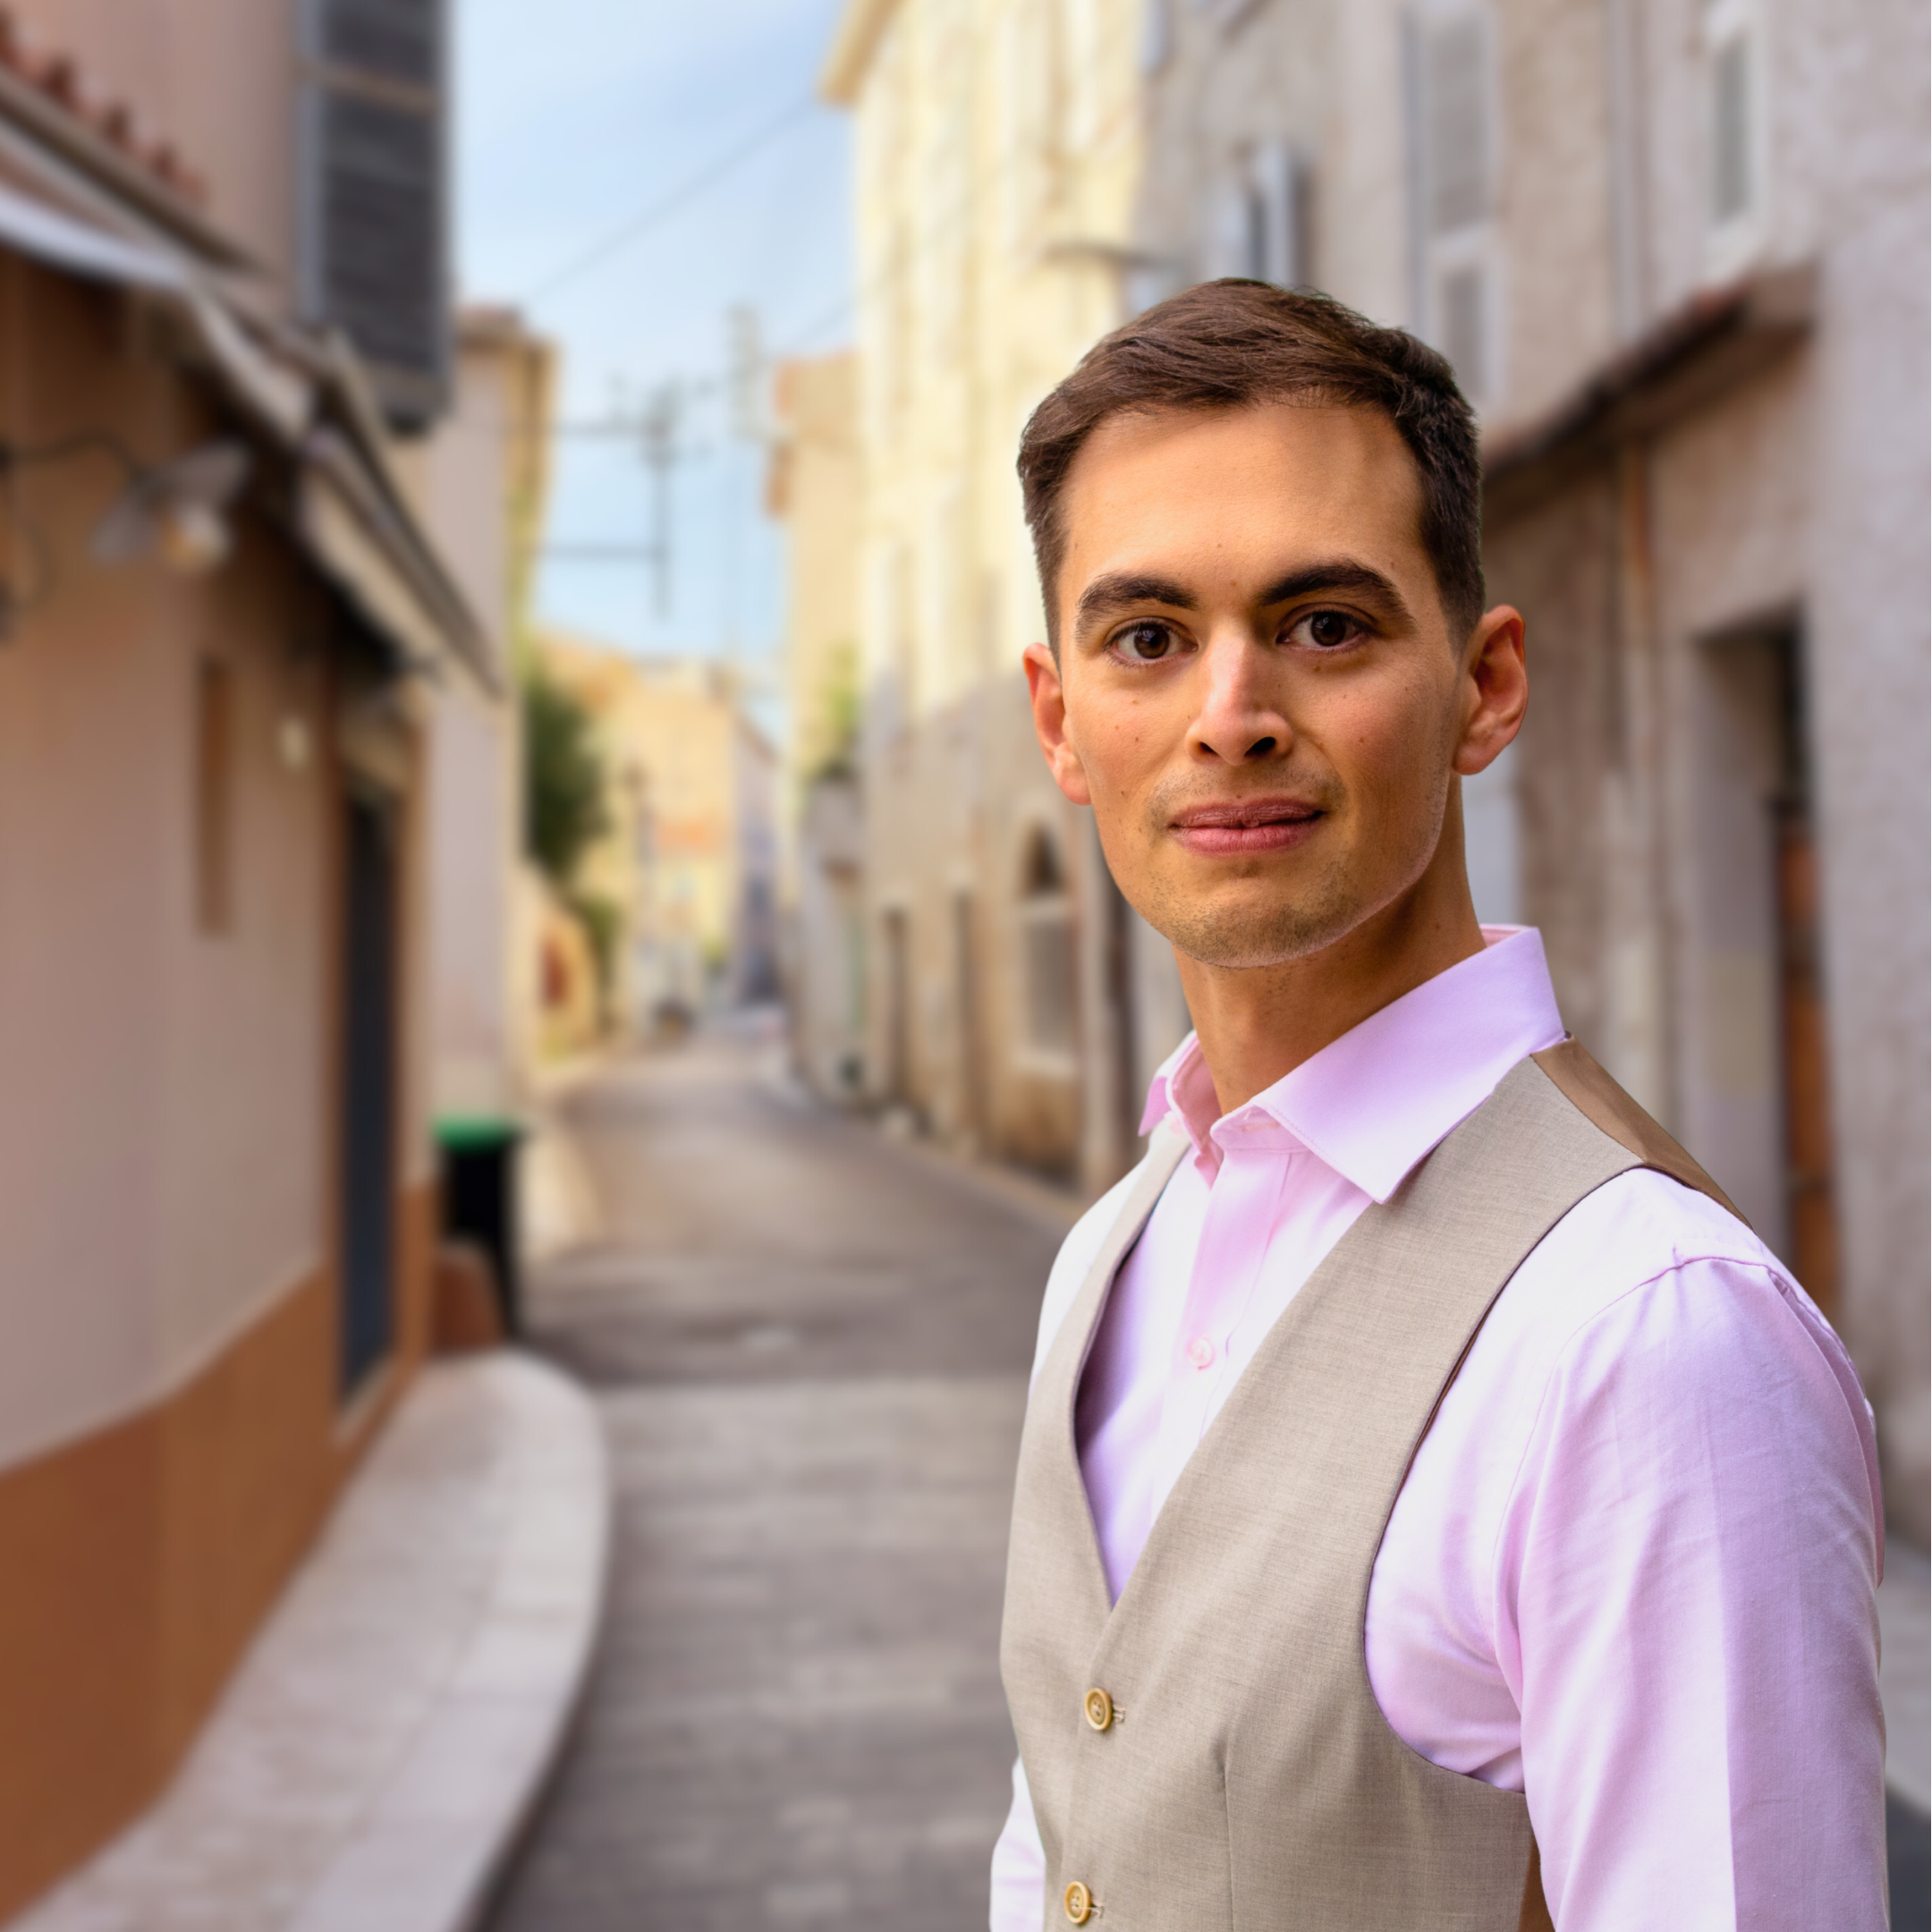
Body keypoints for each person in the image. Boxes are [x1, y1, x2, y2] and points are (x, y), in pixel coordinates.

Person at [989, 281, 1885, 1932]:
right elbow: (1071, 1837)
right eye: (1148, 638)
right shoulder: (1115, 1253)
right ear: (1063, 721)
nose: (1230, 713)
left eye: (1327, 625)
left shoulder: (1645, 1332)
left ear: (1484, 686)